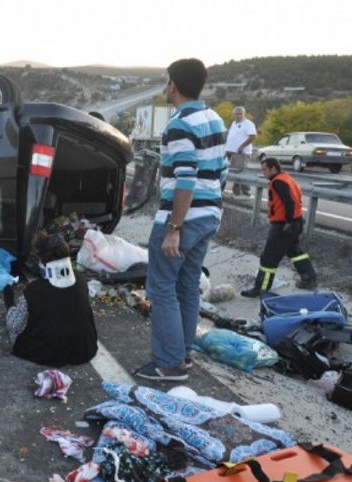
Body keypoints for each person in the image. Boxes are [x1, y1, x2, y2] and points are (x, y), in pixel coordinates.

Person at [133, 58, 226, 382]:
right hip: (210, 214)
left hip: (183, 218)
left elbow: (185, 178)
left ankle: (169, 364)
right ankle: (182, 355)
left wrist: (174, 228)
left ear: (173, 83)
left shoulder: (179, 125)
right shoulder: (214, 119)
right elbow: (220, 171)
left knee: (161, 287)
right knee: (187, 287)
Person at [4, 232, 98, 367]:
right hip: (83, 350)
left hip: (44, 353)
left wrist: (9, 303)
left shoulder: (33, 290)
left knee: (14, 331)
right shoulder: (81, 280)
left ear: (41, 260)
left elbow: (14, 325)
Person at [241, 158, 317, 297]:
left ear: (273, 169)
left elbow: (289, 202)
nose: (263, 172)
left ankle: (261, 289)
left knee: (268, 259)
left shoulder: (278, 182)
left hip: (284, 225)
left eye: (265, 169)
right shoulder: (287, 178)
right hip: (296, 222)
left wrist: (288, 222)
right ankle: (309, 278)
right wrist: (292, 222)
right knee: (294, 251)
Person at [225, 105, 256, 196]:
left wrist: (242, 146)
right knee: (233, 173)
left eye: (240, 114)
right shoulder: (234, 123)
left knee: (241, 172)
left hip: (241, 153)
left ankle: (246, 193)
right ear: (233, 115)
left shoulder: (248, 124)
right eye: (236, 114)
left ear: (244, 114)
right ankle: (236, 193)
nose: (238, 115)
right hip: (230, 152)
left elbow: (253, 136)